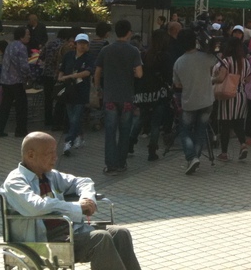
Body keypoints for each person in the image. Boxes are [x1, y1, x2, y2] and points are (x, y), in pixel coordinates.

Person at [1, 132, 141, 270]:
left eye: (55, 152)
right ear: (31, 155)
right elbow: (35, 206)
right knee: (100, 238)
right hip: (42, 240)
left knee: (120, 233)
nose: (55, 157)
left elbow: (82, 182)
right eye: (49, 153)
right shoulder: (15, 181)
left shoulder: (50, 175)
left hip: (69, 229)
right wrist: (76, 207)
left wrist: (86, 198)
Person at [93, 20, 143, 174]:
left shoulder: (106, 50)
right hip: (126, 96)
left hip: (110, 96)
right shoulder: (134, 51)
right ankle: (122, 163)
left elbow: (97, 72)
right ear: (129, 33)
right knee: (124, 131)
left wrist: (98, 89)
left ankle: (111, 165)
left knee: (110, 131)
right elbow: (139, 74)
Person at [171, 29, 215, 174]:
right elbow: (217, 60)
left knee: (185, 130)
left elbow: (177, 84)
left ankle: (191, 157)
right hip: (207, 100)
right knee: (201, 131)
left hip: (189, 102)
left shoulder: (179, 62)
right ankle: (195, 157)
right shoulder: (206, 57)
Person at [129, 30, 173, 162]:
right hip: (159, 93)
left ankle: (130, 143)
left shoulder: (144, 54)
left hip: (144, 93)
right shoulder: (165, 57)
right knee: (155, 123)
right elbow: (169, 76)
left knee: (141, 118)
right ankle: (152, 151)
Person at [214, 36, 251, 162]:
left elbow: (221, 78)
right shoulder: (246, 62)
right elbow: (248, 79)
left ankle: (224, 153)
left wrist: (211, 80)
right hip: (241, 95)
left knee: (225, 125)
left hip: (227, 96)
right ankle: (243, 145)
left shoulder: (226, 61)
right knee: (239, 123)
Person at [58, 33, 93, 157]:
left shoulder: (89, 57)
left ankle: (68, 142)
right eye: (80, 43)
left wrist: (71, 76)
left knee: (75, 117)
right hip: (68, 90)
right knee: (72, 116)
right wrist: (61, 77)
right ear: (76, 44)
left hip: (81, 90)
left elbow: (87, 72)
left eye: (85, 43)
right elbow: (62, 69)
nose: (82, 46)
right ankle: (79, 135)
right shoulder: (69, 56)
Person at [0, 26, 31, 138]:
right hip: (17, 80)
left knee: (5, 105)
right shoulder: (21, 47)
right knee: (21, 106)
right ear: (21, 36)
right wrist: (29, 75)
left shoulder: (10, 45)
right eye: (27, 34)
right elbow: (24, 66)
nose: (29, 36)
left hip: (6, 80)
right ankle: (20, 130)